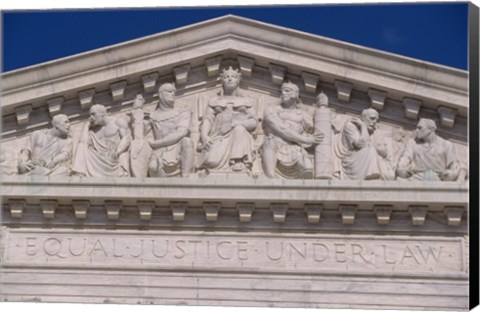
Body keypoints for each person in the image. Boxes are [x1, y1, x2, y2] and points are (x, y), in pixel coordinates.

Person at [197, 67, 257, 174]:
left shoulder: (247, 101)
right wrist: (204, 136)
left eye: (233, 77)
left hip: (240, 137)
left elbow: (253, 122)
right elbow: (208, 119)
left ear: (238, 81)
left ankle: (238, 160)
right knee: (211, 161)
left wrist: (234, 124)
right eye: (226, 77)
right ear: (222, 81)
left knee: (239, 129)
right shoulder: (214, 101)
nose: (229, 79)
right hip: (218, 135)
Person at [261, 81, 323, 179]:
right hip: (275, 145)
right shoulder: (271, 110)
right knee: (269, 142)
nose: (283, 93)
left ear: (295, 94)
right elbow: (281, 129)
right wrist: (305, 139)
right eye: (282, 91)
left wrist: (325, 117)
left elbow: (318, 132)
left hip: (295, 149)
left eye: (287, 91)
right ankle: (271, 179)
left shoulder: (303, 115)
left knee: (307, 168)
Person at [144, 83, 194, 177]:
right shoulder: (152, 116)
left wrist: (156, 143)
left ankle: (186, 178)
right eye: (170, 91)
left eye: (174, 92)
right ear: (161, 94)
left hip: (177, 148)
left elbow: (182, 132)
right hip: (159, 152)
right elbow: (146, 136)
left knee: (187, 141)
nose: (173, 94)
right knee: (153, 167)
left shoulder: (182, 112)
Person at [333, 108, 394, 180]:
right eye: (372, 118)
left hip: (369, 160)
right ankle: (371, 176)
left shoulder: (375, 132)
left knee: (390, 175)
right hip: (352, 162)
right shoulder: (350, 126)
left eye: (376, 120)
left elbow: (384, 152)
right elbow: (361, 144)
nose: (374, 122)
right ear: (363, 118)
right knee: (370, 150)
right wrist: (363, 126)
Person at [72, 104, 131, 177]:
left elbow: (127, 139)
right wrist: (86, 126)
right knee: (81, 147)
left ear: (102, 114)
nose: (91, 118)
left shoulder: (118, 122)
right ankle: (79, 174)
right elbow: (83, 143)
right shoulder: (93, 131)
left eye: (93, 114)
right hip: (98, 159)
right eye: (90, 115)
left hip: (114, 158)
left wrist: (117, 152)